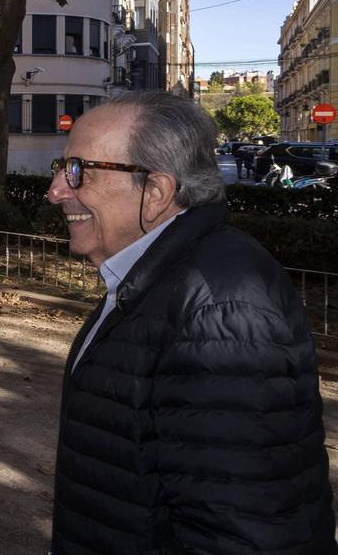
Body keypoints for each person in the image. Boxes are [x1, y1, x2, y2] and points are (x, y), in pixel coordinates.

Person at [47, 91, 335, 554]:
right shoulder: (159, 278)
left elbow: (240, 531)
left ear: (156, 191)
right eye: (61, 168)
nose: (56, 190)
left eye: (78, 170)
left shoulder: (219, 307)